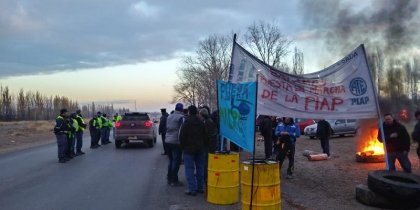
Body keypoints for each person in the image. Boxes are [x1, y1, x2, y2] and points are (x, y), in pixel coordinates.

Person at [180, 105, 208, 196]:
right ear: (196, 112)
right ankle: (201, 188)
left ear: (189, 112)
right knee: (200, 168)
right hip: (200, 149)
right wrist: (204, 146)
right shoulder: (201, 122)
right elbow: (205, 135)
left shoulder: (186, 122)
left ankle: (192, 189)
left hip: (188, 150)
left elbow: (182, 136)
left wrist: (183, 147)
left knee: (189, 169)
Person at [165, 103, 185, 187]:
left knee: (171, 160)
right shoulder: (181, 118)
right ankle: (174, 180)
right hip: (176, 142)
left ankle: (169, 179)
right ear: (182, 110)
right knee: (176, 161)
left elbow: (167, 127)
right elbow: (182, 130)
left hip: (167, 140)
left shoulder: (169, 116)